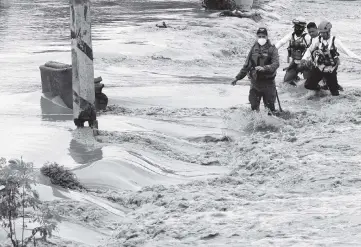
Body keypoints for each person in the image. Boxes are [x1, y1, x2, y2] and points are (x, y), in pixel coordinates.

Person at [301, 20, 361, 96]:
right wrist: (304, 59)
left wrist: (358, 59)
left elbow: (347, 52)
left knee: (335, 93)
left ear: (328, 31)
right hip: (319, 68)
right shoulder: (317, 40)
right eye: (321, 32)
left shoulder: (335, 41)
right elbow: (309, 50)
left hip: (330, 69)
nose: (322, 34)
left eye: (323, 32)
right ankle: (321, 91)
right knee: (308, 85)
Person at [231, 27, 280, 114]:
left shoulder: (272, 49)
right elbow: (247, 65)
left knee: (270, 110)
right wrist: (237, 78)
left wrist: (264, 68)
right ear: (257, 37)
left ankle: (270, 125)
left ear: (267, 37)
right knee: (253, 108)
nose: (261, 38)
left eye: (263, 36)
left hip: (268, 84)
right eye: (259, 36)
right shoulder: (253, 49)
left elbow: (276, 64)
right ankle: (255, 125)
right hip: (255, 83)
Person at [275, 17, 312, 85]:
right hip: (295, 62)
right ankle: (296, 79)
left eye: (298, 26)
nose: (296, 28)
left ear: (302, 27)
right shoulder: (291, 35)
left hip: (305, 63)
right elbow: (281, 42)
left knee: (308, 82)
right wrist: (273, 50)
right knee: (286, 81)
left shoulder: (307, 37)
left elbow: (313, 47)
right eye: (295, 26)